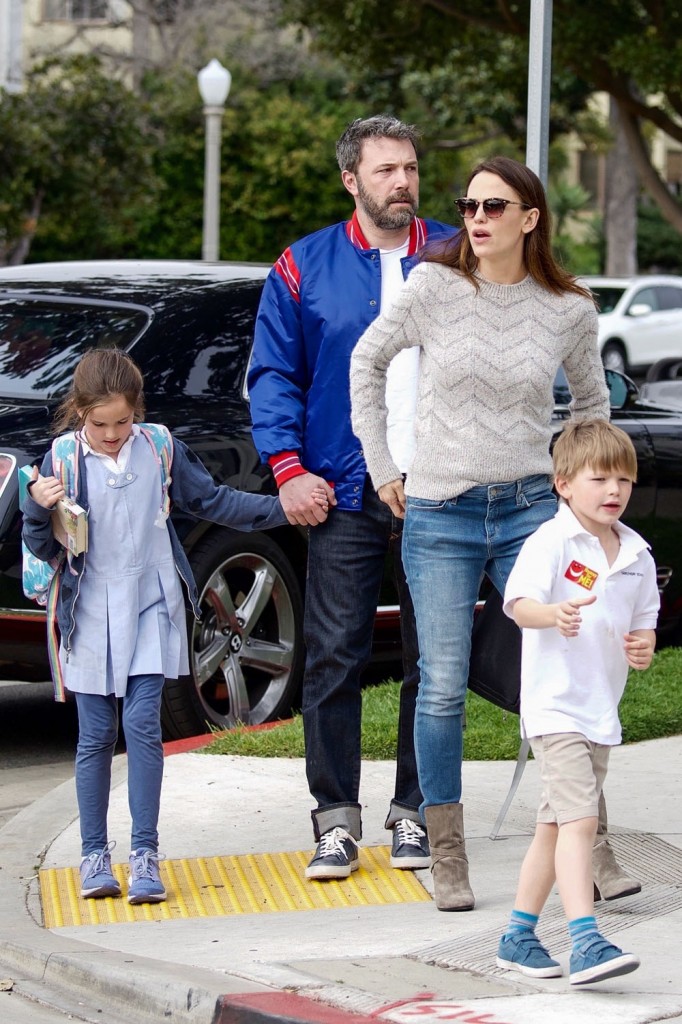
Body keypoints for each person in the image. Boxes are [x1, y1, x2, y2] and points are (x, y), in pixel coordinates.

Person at [350, 155, 612, 911]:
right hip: (439, 512)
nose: (476, 218)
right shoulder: (432, 286)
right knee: (440, 688)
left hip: (533, 508)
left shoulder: (569, 308)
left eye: (494, 207)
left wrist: (580, 497)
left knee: (569, 671)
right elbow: (367, 364)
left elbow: (592, 408)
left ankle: (590, 839)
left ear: (530, 218)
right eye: (468, 205)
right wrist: (383, 465)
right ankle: (448, 852)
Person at [21, 347, 325, 905]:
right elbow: (44, 547)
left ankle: (144, 854)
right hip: (88, 609)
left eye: (123, 421)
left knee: (142, 727)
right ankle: (93, 855)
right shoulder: (61, 461)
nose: (113, 434)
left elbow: (214, 503)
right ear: (79, 413)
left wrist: (284, 508)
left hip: (150, 601)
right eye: (100, 424)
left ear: (138, 411)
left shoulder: (160, 448)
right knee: (94, 735)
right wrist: (38, 507)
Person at [247, 114, 455, 880]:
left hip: (441, 489)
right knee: (334, 654)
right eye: (385, 170)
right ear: (352, 180)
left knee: (433, 660)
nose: (403, 182)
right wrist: (289, 469)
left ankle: (414, 815)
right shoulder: (303, 267)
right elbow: (274, 375)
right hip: (343, 490)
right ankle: (334, 821)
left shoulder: (456, 255)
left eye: (410, 167)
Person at [496, 418, 658, 985]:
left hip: (598, 710)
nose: (614, 491)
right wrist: (552, 614)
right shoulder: (552, 541)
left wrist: (643, 645)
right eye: (599, 479)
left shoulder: (636, 552)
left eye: (624, 480)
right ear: (563, 483)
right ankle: (585, 939)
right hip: (555, 707)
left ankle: (517, 935)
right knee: (582, 821)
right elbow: (517, 604)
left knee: (554, 828)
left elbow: (644, 622)